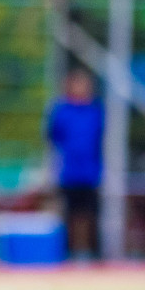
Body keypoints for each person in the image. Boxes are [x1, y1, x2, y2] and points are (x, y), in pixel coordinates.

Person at [46, 69, 103, 260]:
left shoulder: (95, 111)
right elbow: (53, 137)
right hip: (69, 173)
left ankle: (88, 253)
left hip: (91, 173)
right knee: (69, 214)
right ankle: (68, 253)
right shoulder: (61, 110)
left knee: (89, 214)